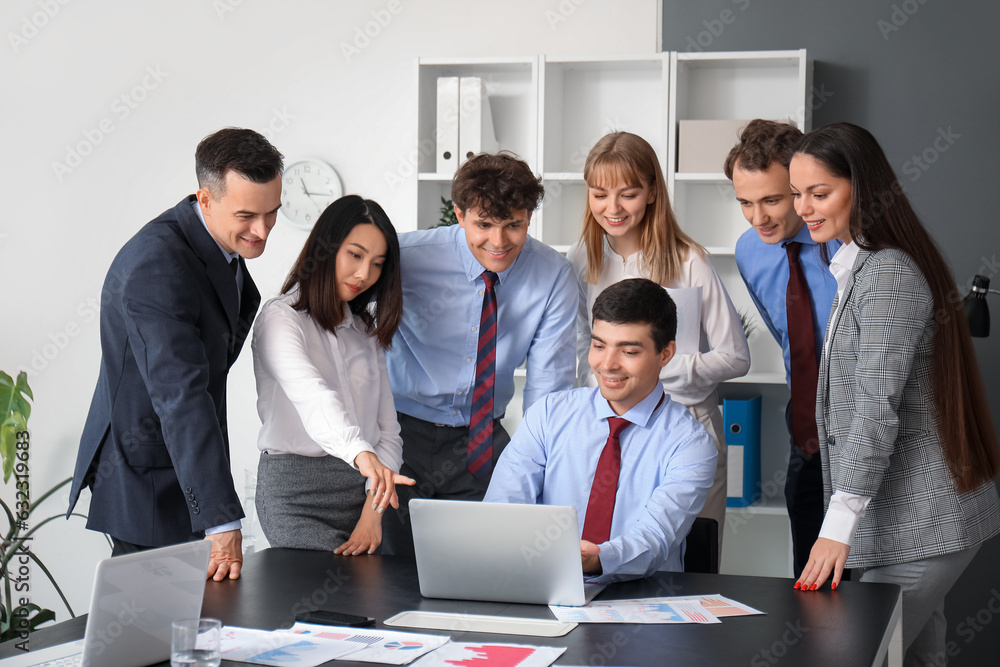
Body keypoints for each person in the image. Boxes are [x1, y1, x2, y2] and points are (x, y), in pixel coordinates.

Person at [790, 122, 1000, 664]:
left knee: (855, 654)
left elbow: (872, 413)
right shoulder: (856, 266)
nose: (804, 208)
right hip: (910, 523)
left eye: (819, 193)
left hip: (925, 522)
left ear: (861, 188)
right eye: (798, 194)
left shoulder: (887, 272)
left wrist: (835, 530)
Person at [67, 128, 284, 580]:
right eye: (247, 215)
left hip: (182, 464)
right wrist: (221, 519)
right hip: (147, 475)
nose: (262, 231)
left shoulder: (217, 242)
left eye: (272, 213)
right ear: (204, 199)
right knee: (154, 633)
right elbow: (181, 396)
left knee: (194, 630)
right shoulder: (158, 263)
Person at [383, 152, 577, 555]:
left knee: (490, 563)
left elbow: (548, 387)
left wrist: (534, 467)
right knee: (387, 569)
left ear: (528, 217)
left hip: (483, 440)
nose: (499, 241)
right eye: (484, 225)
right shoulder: (404, 257)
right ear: (458, 214)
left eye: (514, 225)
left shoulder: (552, 274)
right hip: (400, 436)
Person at [566, 132, 749, 543]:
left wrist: (661, 371)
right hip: (611, 434)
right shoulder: (581, 258)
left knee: (691, 568)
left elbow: (735, 356)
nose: (612, 209)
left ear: (651, 191)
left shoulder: (688, 259)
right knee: (614, 559)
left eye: (628, 193)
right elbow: (581, 349)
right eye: (599, 194)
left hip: (686, 426)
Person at [484, 278, 717, 581]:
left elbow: (653, 541)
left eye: (628, 351)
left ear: (665, 353)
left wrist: (592, 560)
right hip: (544, 587)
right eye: (598, 345)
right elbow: (502, 511)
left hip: (641, 606)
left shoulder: (691, 445)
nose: (607, 364)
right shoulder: (547, 414)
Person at [251, 195, 414, 556]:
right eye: (355, 255)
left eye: (377, 264)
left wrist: (372, 513)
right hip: (296, 497)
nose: (364, 274)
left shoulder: (365, 332)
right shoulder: (280, 319)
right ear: (325, 249)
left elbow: (388, 430)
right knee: (316, 602)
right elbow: (313, 396)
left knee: (368, 605)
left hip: (364, 497)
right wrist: (361, 455)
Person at [724, 119, 841, 579]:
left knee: (872, 586)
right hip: (806, 427)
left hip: (863, 428)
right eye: (745, 203)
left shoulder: (848, 244)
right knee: (811, 580)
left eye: (771, 200)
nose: (758, 218)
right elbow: (789, 337)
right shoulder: (749, 251)